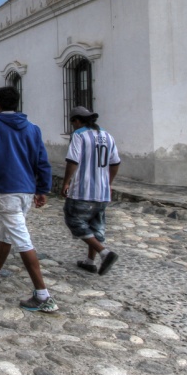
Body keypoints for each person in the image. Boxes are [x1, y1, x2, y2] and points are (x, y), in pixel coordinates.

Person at [0, 86, 57, 313]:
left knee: (22, 239)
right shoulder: (33, 129)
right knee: (8, 232)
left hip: (6, 190)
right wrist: (42, 189)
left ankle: (42, 295)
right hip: (26, 191)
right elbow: (42, 161)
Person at [61, 106, 121, 276]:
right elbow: (115, 163)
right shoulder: (107, 136)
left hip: (82, 190)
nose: (72, 125)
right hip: (102, 192)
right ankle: (90, 261)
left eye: (73, 122)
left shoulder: (79, 135)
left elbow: (72, 161)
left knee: (74, 220)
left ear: (77, 121)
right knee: (95, 226)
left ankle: (104, 253)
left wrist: (66, 183)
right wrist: (108, 182)